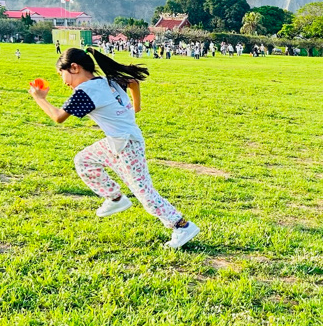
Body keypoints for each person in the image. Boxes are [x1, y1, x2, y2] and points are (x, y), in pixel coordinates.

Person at [28, 47, 200, 249]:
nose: (63, 81)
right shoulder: (108, 80)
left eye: (61, 74)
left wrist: (39, 98)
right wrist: (136, 107)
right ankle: (115, 197)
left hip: (127, 145)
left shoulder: (85, 92)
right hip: (118, 142)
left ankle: (182, 226)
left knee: (144, 192)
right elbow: (133, 82)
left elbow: (58, 117)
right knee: (84, 160)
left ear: (74, 67)